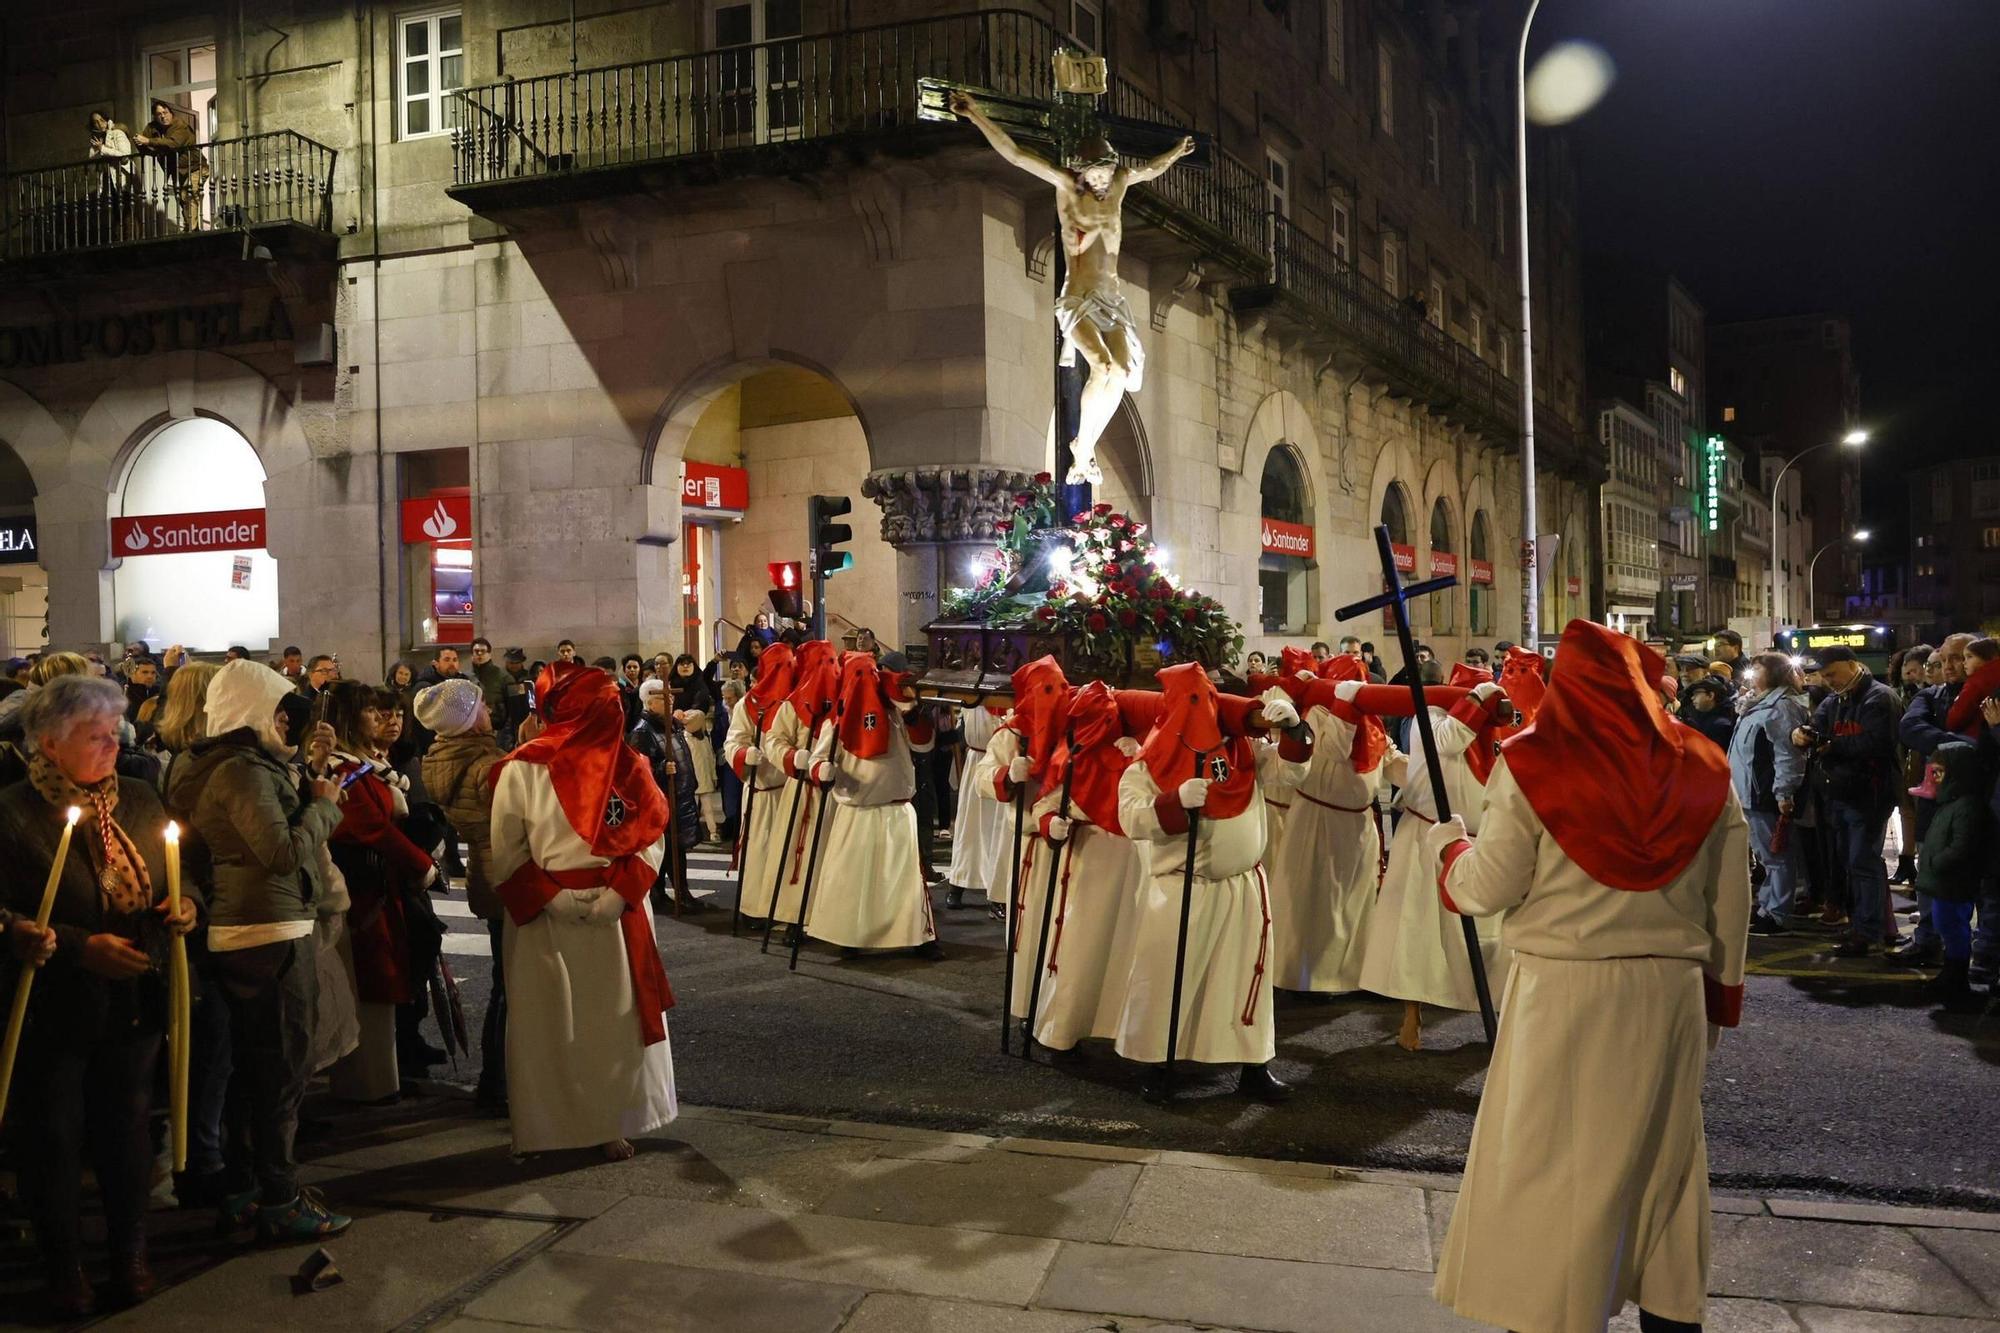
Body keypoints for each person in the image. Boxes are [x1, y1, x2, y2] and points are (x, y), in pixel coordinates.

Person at [1424, 620, 1749, 1333]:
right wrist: (1720, 1003)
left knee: (1553, 1172)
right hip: (1669, 996)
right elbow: (1731, 899)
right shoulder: (1703, 764)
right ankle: (1669, 1312)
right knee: (1665, 1169)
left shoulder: (1534, 760)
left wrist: (1447, 846)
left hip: (1564, 993)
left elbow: (1487, 885)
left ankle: (1552, 1315)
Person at [1, 675, 195, 1316]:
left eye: (115, 732)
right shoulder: (13, 812)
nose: (113, 745)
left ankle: (130, 1256)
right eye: (95, 735)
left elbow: (182, 870)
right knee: (53, 1136)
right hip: (50, 1005)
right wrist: (74, 944)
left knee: (127, 1129)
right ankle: (65, 1268)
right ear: (51, 746)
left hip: (133, 996)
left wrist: (185, 903)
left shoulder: (138, 797)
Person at [166, 660, 351, 1244]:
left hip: (250, 928)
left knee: (255, 1069)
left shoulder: (218, 764)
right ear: (249, 712)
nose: (284, 721)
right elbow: (278, 851)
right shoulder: (240, 772)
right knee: (281, 1070)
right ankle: (279, 1195)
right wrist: (324, 803)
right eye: (274, 709)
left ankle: (250, 1186)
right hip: (269, 931)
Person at [490, 661, 676, 1159]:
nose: (616, 710)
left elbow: (651, 835)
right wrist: (556, 897)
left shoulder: (629, 764)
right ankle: (553, 1127)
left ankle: (611, 1120)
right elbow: (507, 852)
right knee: (553, 1025)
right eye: (605, 702)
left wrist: (620, 893)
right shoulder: (524, 767)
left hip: (616, 914)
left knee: (614, 1025)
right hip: (550, 923)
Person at [1114, 664, 1306, 1102]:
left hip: (1244, 886)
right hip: (1185, 887)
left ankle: (1255, 1065)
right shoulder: (1148, 763)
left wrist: (1294, 729)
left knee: (1247, 978)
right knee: (1168, 979)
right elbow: (1131, 818)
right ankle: (1158, 1064)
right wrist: (1173, 801)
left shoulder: (1245, 751)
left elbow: (1290, 775)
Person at [1361, 671, 1513, 1051]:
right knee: (1418, 936)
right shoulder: (1430, 718)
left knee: (1491, 943)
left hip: (1481, 846)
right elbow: (1445, 742)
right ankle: (1411, 1017)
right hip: (1426, 841)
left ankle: (1495, 1018)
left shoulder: (1493, 734)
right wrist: (1475, 702)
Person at [323, 681, 438, 1102]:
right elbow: (370, 825)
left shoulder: (364, 763)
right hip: (361, 887)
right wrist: (423, 865)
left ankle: (382, 1076)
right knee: (367, 982)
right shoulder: (341, 768)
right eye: (370, 711)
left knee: (383, 980)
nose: (380, 718)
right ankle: (366, 1083)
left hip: (379, 884)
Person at [1259, 650, 1393, 997]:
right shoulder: (1319, 712)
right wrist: (1345, 706)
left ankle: (1349, 975)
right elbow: (1334, 748)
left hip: (1357, 826)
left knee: (1352, 904)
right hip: (1318, 821)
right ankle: (1298, 978)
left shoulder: (1372, 723)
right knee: (1311, 901)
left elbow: (1388, 755)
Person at [799, 652, 942, 958]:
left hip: (896, 808)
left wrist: (911, 711)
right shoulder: (838, 719)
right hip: (856, 811)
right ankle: (851, 935)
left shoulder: (898, 713)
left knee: (903, 883)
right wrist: (821, 771)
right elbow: (817, 758)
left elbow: (924, 744)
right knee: (854, 881)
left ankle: (918, 936)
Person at [417, 677, 509, 1110]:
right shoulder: (485, 766)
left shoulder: (444, 757)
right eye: (483, 706)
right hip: (506, 870)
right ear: (471, 720)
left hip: (484, 872)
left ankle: (498, 1080)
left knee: (504, 982)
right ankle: (499, 1082)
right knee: (511, 986)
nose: (490, 710)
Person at [1799, 646, 1903, 957]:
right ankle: (1872, 926)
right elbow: (1815, 727)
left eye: (1832, 673)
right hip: (1841, 793)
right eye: (1824, 675)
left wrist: (1830, 745)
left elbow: (1877, 743)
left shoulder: (1878, 698)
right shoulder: (1835, 700)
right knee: (1853, 861)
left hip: (1869, 793)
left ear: (1852, 665)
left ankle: (1867, 931)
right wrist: (1802, 734)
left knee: (1862, 860)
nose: (1828, 680)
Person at [1728, 653, 1810, 935]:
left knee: (1777, 855)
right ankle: (1768, 906)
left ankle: (1777, 913)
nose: (1753, 670)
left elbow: (1788, 754)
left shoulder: (1782, 707)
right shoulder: (1755, 704)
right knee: (1767, 856)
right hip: (1748, 792)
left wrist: (1784, 792)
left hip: (1764, 793)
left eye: (1759, 666)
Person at [722, 641, 801, 925]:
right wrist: (745, 754)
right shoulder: (748, 704)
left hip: (791, 789)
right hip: (763, 790)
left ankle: (788, 910)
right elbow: (732, 741)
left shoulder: (797, 699)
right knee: (760, 848)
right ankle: (757, 908)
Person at [1916, 742, 1989, 1013]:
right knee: (1946, 925)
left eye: (1939, 772)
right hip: (1945, 880)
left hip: (1954, 881)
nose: (1934, 778)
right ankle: (1950, 971)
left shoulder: (1965, 806)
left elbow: (1962, 846)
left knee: (1953, 926)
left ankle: (1956, 975)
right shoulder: (1949, 803)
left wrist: (1937, 861)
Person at [629, 677, 701, 914]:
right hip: (662, 799)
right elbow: (638, 770)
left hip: (680, 796)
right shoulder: (643, 732)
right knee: (667, 848)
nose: (670, 699)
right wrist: (661, 770)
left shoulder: (672, 725)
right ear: (649, 702)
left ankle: (681, 892)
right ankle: (662, 893)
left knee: (677, 848)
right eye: (663, 696)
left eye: (671, 695)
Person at [945, 701, 1012, 911]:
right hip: (976, 760)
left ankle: (997, 894)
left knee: (998, 832)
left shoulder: (1011, 693)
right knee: (969, 827)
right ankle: (957, 882)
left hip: (1002, 762)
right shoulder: (973, 687)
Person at [668, 654, 722, 843]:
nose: (684, 667)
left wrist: (688, 716)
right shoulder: (670, 683)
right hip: (676, 736)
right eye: (681, 664)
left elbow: (700, 706)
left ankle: (711, 830)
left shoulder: (699, 683)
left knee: (704, 790)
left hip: (695, 734)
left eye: (688, 664)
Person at [133, 99, 209, 232]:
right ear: (155, 116)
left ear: (170, 112)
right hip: (177, 169)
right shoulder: (152, 127)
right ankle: (189, 227)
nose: (163, 116)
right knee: (182, 198)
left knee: (190, 195)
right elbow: (145, 142)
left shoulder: (180, 125)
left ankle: (192, 229)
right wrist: (140, 143)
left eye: (165, 112)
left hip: (195, 166)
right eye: (159, 114)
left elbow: (173, 143)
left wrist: (148, 141)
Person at [1679, 676, 1736, 751]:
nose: (1692, 698)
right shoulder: (1705, 719)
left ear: (1710, 696)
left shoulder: (1720, 726)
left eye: (1696, 693)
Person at [467, 638, 512, 729]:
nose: (479, 654)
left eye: (483, 651)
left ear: (489, 654)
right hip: (472, 731)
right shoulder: (465, 678)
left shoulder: (504, 677)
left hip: (498, 729)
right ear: (472, 654)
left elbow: (513, 709)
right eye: (476, 651)